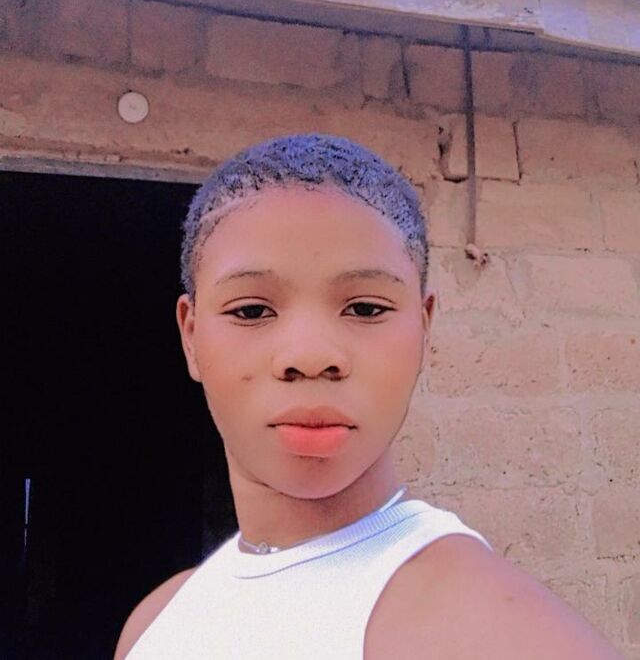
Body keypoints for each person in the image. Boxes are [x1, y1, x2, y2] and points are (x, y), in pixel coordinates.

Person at [114, 132, 622, 659]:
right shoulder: (155, 623)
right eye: (251, 311)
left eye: (365, 309)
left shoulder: (497, 632)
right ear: (191, 336)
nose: (311, 356)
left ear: (424, 327)